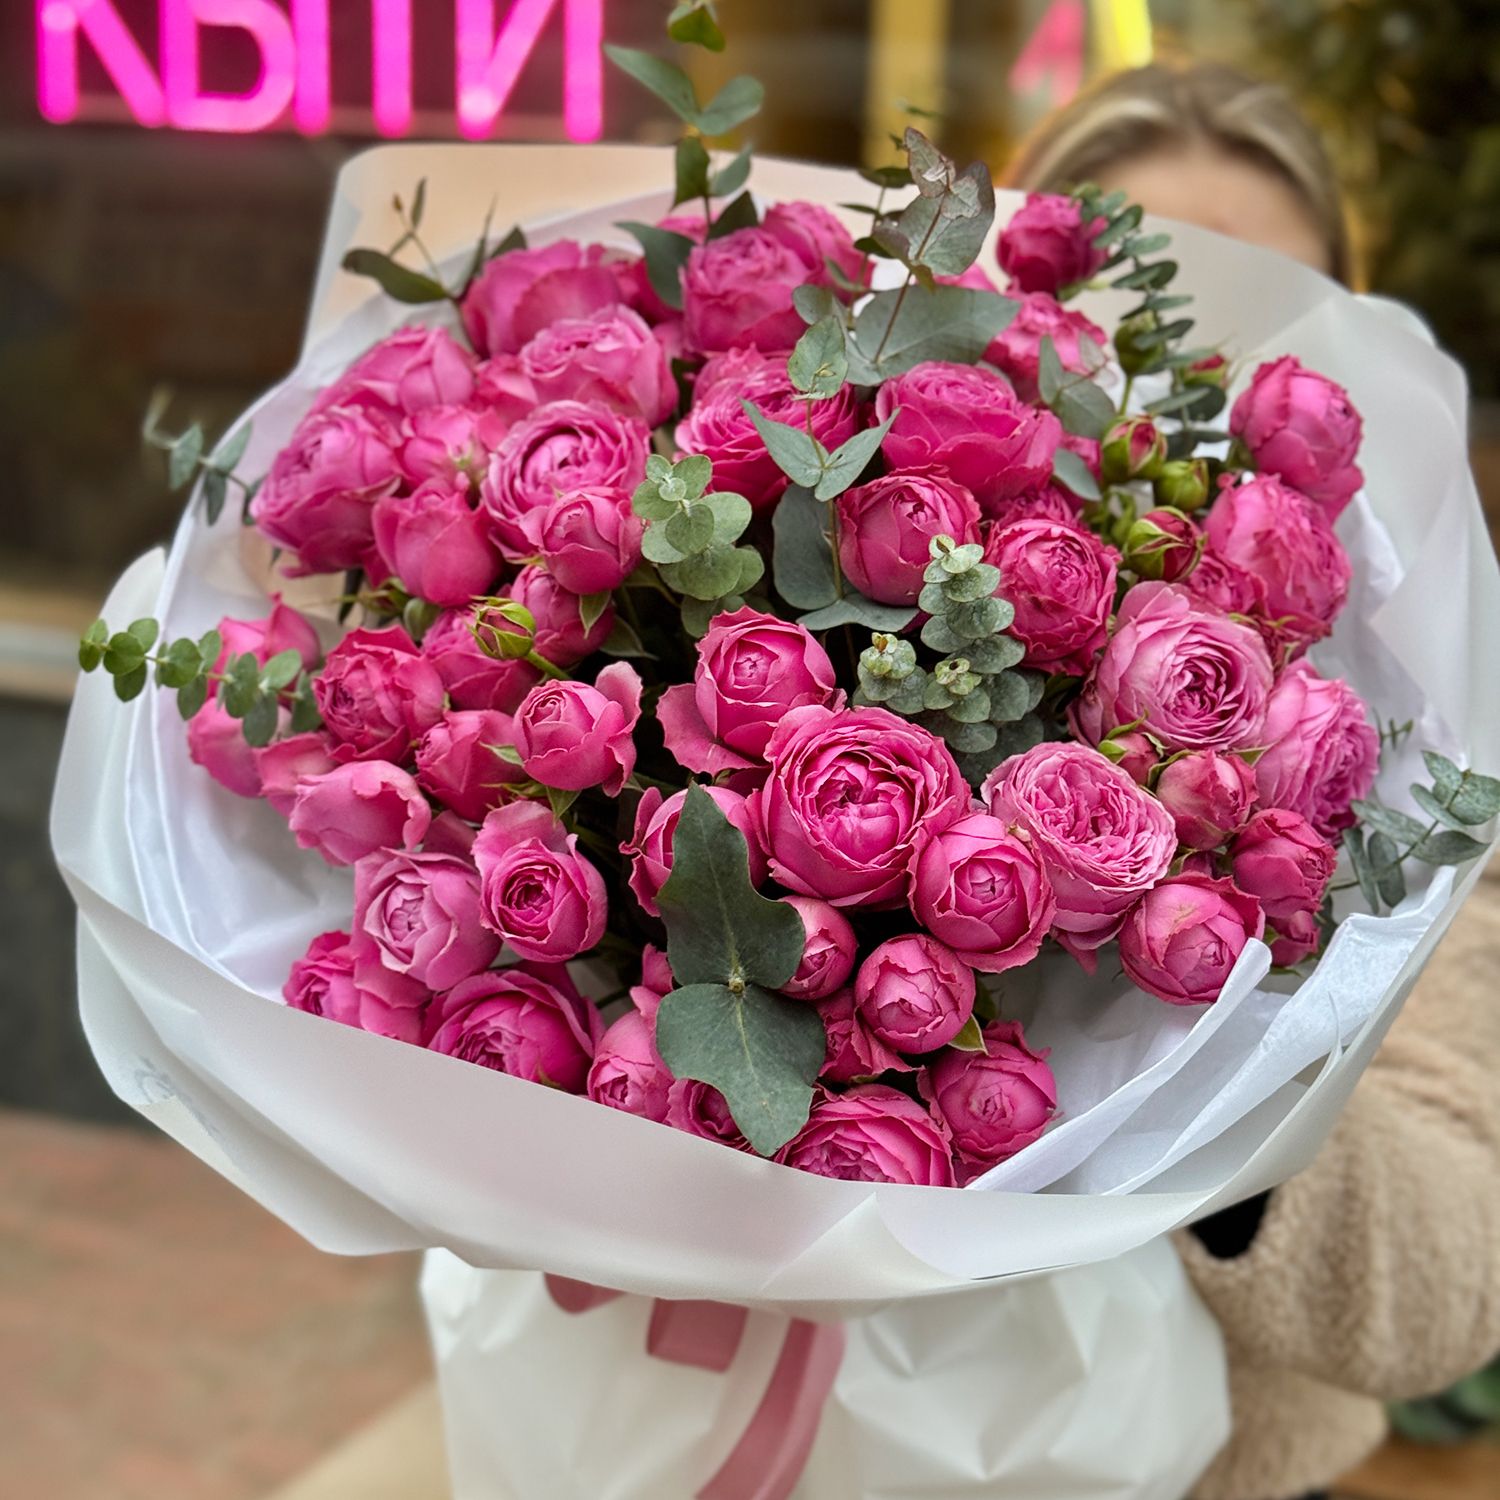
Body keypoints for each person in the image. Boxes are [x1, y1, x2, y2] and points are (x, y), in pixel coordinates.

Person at [1006, 59, 1500, 1500]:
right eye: (1135, 314)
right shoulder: (859, 626)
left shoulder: (1425, 729)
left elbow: (1459, 1271)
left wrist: (1190, 1087)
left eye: (1264, 321)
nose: (1189, 383)